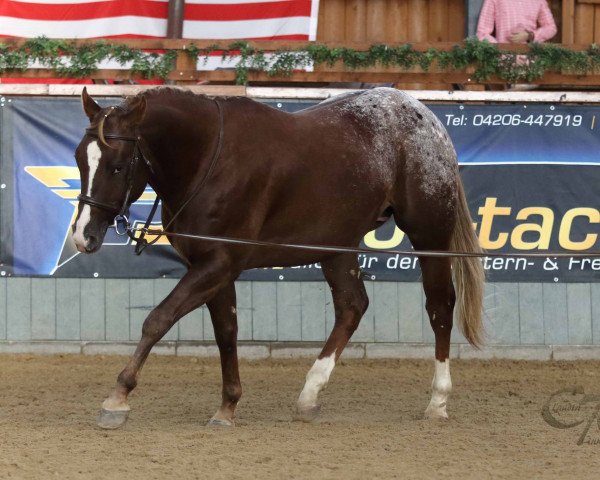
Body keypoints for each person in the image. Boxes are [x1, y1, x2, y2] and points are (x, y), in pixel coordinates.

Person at [476, 0, 557, 44]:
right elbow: (482, 33)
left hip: (531, 61)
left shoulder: (539, 1)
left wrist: (530, 36)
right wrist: (499, 50)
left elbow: (551, 27)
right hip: (502, 62)